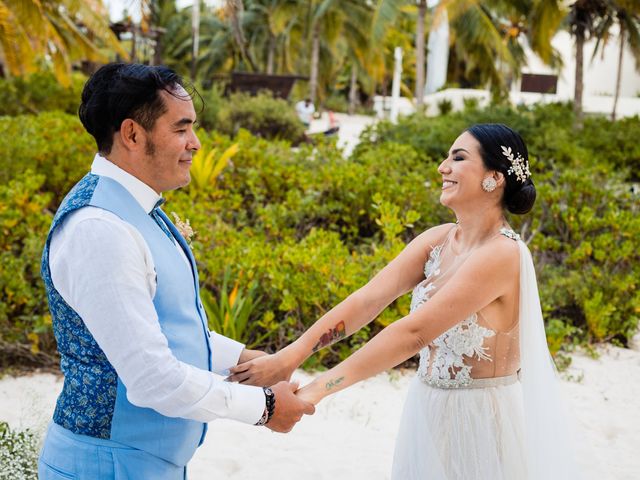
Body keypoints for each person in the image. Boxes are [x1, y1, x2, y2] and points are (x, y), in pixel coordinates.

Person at [230, 124, 580, 479]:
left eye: (458, 158)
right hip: (427, 410)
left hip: (479, 421)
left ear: (494, 177)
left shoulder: (503, 254)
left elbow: (413, 333)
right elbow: (368, 300)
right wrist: (291, 355)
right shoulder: (438, 239)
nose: (442, 167)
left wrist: (314, 390)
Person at [38, 63, 314, 480]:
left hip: (141, 463)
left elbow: (165, 322)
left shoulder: (137, 207)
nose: (196, 143)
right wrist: (265, 409)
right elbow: (151, 378)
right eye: (181, 129)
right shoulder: (99, 229)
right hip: (106, 464)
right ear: (132, 134)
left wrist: (244, 360)